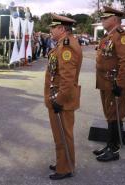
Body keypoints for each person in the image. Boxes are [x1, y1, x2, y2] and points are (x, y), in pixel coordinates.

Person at [93, 6, 125, 162]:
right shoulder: (108, 36)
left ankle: (114, 149)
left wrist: (120, 83)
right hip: (107, 82)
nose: (102, 20)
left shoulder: (121, 36)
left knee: (116, 115)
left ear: (114, 19)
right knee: (110, 114)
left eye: (105, 18)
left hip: (117, 83)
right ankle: (109, 145)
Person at [44, 13, 82, 180]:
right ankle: (63, 161)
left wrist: (59, 100)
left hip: (62, 98)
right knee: (60, 134)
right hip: (59, 95)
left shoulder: (66, 46)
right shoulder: (62, 44)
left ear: (61, 28)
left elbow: (68, 79)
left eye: (53, 27)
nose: (50, 30)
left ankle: (65, 167)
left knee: (63, 134)